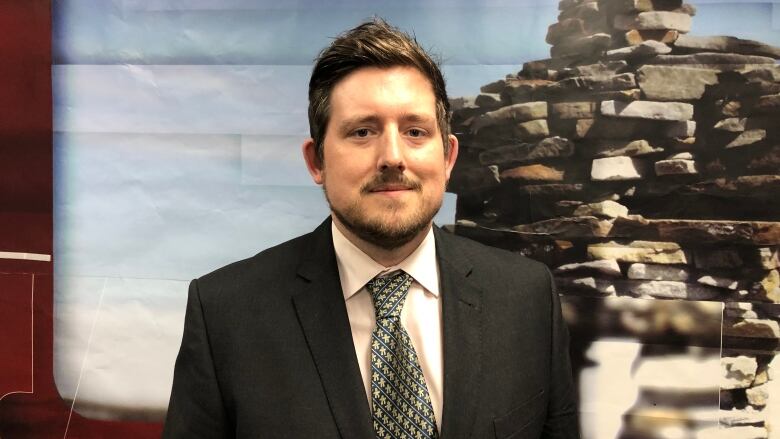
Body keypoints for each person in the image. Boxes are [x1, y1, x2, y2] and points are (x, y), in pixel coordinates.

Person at [163, 18, 579, 439]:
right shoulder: (225, 315)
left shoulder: (527, 298)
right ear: (316, 162)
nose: (392, 157)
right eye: (363, 132)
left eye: (415, 131)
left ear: (449, 158)